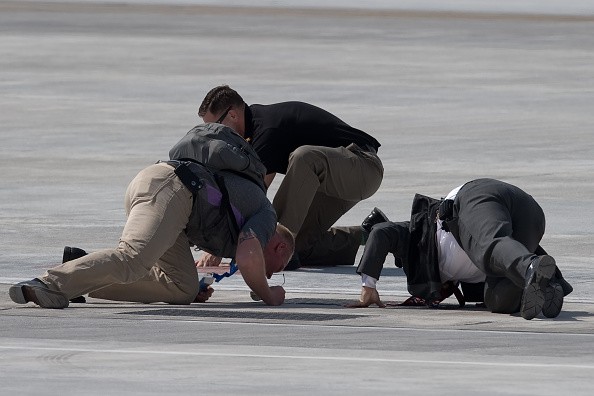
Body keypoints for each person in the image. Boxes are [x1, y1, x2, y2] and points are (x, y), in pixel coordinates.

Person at [10, 124, 295, 309]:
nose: (268, 274)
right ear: (280, 246)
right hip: (172, 188)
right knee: (133, 259)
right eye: (275, 269)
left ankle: (81, 273)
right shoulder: (266, 216)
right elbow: (249, 258)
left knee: (182, 287)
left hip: (175, 200)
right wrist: (269, 295)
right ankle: (49, 284)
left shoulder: (245, 218)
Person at [198, 85, 384, 269]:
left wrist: (222, 248)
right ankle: (373, 233)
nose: (214, 134)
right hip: (329, 180)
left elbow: (252, 197)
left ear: (232, 115)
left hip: (363, 167)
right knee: (297, 247)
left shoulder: (266, 131)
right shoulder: (250, 132)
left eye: (215, 126)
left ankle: (275, 244)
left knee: (303, 158)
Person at [350, 178, 573, 320]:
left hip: (475, 198)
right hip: (529, 221)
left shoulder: (415, 237)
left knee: (490, 244)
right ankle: (544, 289)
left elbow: (380, 232)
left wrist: (368, 286)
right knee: (497, 300)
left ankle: (530, 268)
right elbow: (507, 249)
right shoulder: (465, 276)